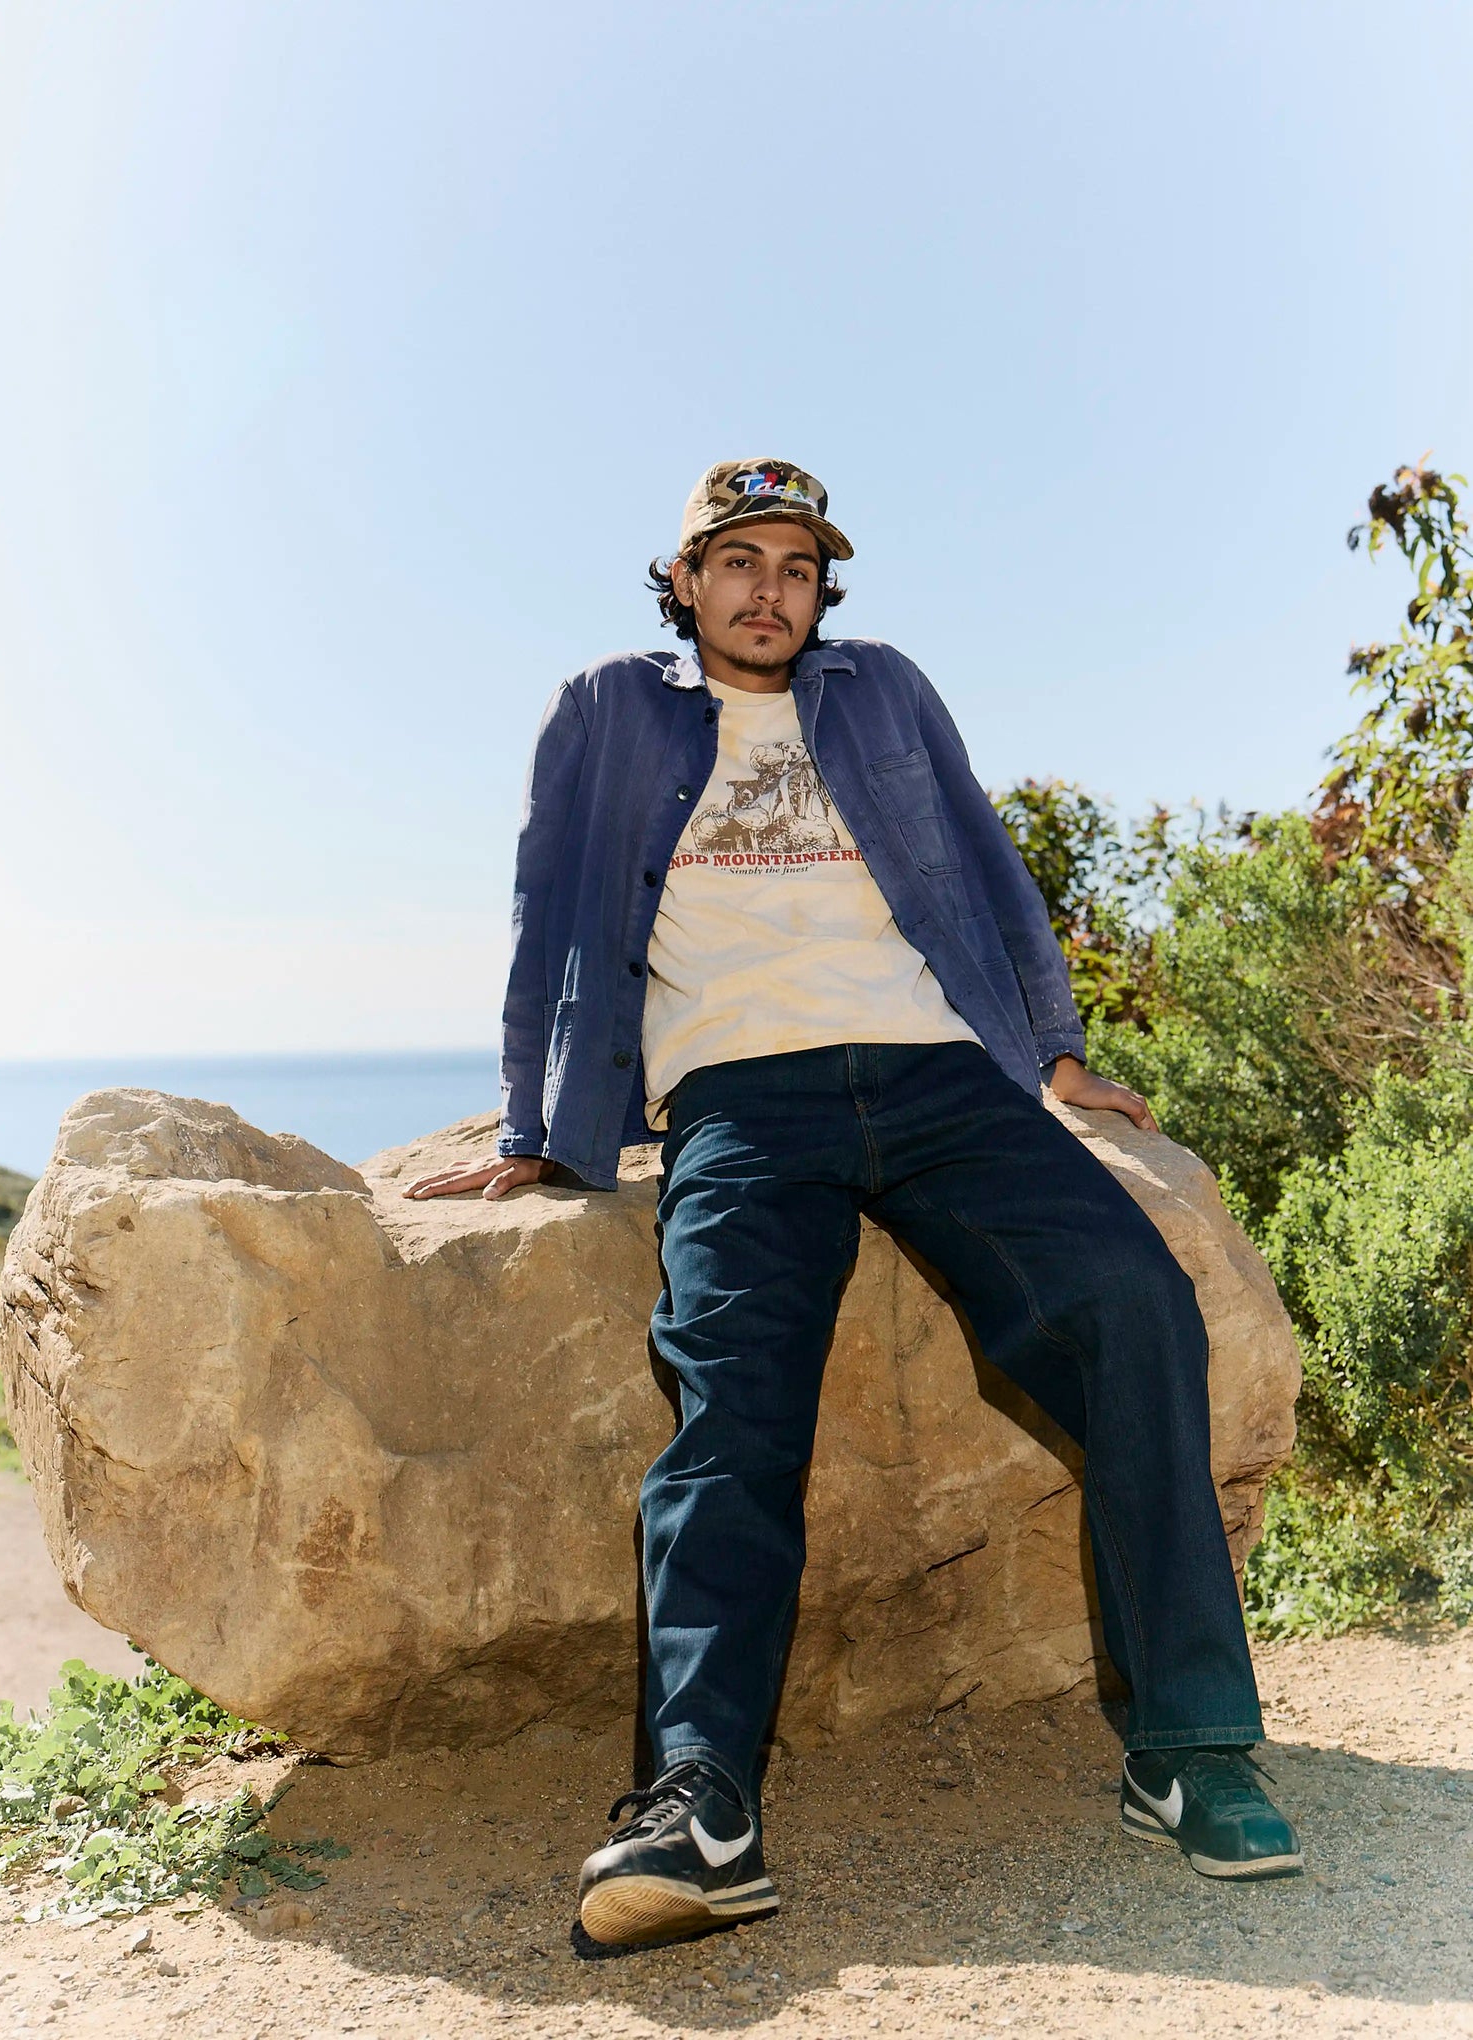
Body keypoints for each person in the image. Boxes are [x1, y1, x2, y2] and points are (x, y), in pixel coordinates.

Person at [406, 457, 1302, 1949]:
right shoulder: (607, 710)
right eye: (739, 562)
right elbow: (548, 911)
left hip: (941, 1073)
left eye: (799, 567)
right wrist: (540, 1125)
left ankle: (1192, 1748)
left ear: (825, 591)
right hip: (740, 1097)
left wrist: (1054, 1053)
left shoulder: (882, 690)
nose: (771, 591)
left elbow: (985, 861)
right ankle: (698, 1802)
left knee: (1134, 1305)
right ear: (684, 580)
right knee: (730, 1409)